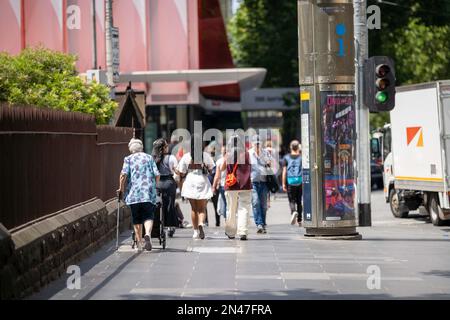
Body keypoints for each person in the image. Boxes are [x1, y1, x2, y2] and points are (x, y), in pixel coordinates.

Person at [118, 138, 160, 251]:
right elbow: (157, 174)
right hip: (148, 192)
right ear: (141, 147)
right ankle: (148, 234)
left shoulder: (128, 159)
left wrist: (121, 189)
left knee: (136, 218)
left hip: (134, 193)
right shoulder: (149, 157)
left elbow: (123, 175)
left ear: (131, 149)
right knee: (148, 215)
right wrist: (154, 186)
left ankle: (140, 244)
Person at [175, 134, 215, 239]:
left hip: (190, 181)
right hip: (202, 180)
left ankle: (195, 231)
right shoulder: (206, 156)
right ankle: (201, 223)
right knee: (202, 208)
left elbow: (181, 172)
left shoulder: (186, 156)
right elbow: (211, 170)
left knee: (193, 208)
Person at [214, 134, 252, 241]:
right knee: (244, 208)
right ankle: (243, 231)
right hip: (245, 184)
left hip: (232, 185)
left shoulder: (228, 154)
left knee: (231, 208)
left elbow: (222, 168)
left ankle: (231, 232)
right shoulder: (247, 154)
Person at [152, 138, 179, 238]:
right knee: (169, 204)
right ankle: (170, 227)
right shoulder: (171, 158)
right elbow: (177, 171)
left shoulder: (152, 159)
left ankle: (157, 225)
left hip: (157, 183)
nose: (168, 147)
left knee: (157, 204)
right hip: (168, 183)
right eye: (166, 146)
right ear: (163, 148)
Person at [249, 135, 271, 234]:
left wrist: (267, 162)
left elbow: (270, 164)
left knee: (264, 205)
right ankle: (259, 224)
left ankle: (263, 223)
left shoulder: (265, 152)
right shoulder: (248, 154)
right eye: (256, 143)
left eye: (259, 143)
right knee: (256, 202)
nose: (257, 145)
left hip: (264, 182)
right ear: (252, 144)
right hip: (253, 182)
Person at [282, 140, 303, 226]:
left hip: (290, 181)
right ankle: (299, 220)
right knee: (299, 201)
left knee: (291, 200)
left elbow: (284, 171)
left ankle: (293, 212)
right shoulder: (301, 158)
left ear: (291, 147)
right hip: (299, 180)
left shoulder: (286, 158)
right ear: (298, 147)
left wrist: (283, 183)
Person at [214, 146, 227, 220]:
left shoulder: (219, 161)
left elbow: (217, 175)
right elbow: (217, 175)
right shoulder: (220, 161)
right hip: (226, 184)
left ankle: (227, 220)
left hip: (223, 184)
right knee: (228, 203)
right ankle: (228, 220)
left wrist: (214, 186)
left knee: (225, 203)